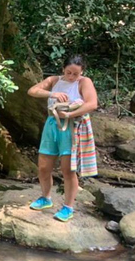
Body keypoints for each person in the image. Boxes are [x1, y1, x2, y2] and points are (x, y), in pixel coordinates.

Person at [27, 55, 98, 222]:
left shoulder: (84, 82)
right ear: (63, 69)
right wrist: (53, 93)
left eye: (75, 74)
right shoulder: (54, 80)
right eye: (68, 73)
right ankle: (46, 198)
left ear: (82, 72)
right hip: (52, 124)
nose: (72, 77)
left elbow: (92, 103)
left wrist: (71, 114)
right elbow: (32, 91)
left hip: (71, 127)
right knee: (44, 166)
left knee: (68, 169)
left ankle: (68, 207)